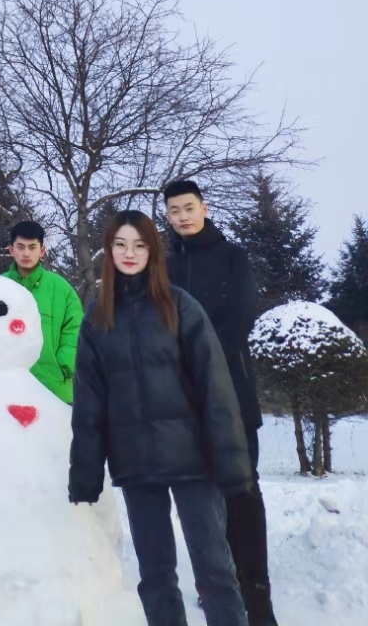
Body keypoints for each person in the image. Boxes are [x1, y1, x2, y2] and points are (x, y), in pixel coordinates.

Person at [69, 210, 252, 626]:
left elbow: (215, 390)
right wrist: (84, 472)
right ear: (109, 251)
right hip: (136, 465)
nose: (129, 253)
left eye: (139, 245)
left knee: (216, 572)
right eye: (120, 245)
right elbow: (89, 404)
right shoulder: (98, 318)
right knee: (155, 577)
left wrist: (232, 464)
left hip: (193, 462)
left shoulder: (180, 305)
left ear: (152, 250)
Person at [164, 179, 278, 626]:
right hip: (184, 401)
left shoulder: (234, 257)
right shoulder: (166, 267)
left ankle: (259, 600)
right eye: (174, 211)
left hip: (230, 393)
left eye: (189, 207)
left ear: (204, 208)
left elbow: (241, 314)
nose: (183, 216)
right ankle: (219, 591)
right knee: (203, 499)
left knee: (243, 494)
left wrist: (203, 362)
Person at [2, 221, 83, 403]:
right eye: (20, 247)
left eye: (32, 247)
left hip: (53, 388)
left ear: (42, 251)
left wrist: (65, 364)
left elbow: (76, 328)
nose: (26, 253)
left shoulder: (61, 288)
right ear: (11, 250)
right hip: (7, 389)